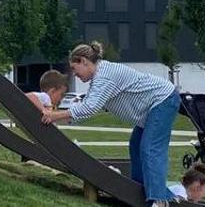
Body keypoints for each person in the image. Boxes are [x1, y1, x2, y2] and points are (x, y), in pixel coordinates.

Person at [42, 42, 181, 206]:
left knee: (149, 148)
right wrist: (56, 118)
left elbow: (89, 108)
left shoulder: (104, 76)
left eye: (74, 68)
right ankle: (141, 192)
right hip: (152, 107)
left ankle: (158, 200)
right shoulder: (99, 78)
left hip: (162, 100)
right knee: (136, 145)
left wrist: (54, 116)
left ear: (84, 61)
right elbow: (85, 108)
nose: (74, 74)